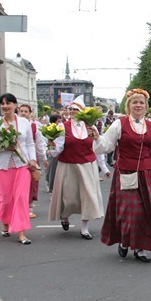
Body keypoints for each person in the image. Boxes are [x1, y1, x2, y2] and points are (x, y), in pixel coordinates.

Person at [94, 89, 151, 262]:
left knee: (145, 213)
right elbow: (106, 147)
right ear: (128, 106)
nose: (138, 105)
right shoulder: (119, 124)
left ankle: (139, 248)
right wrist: (96, 137)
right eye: (135, 102)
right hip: (126, 173)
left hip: (146, 174)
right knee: (131, 212)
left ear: (146, 106)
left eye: (141, 103)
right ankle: (125, 242)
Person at [48, 95, 104, 240]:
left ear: (82, 111)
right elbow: (58, 148)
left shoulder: (90, 127)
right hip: (68, 165)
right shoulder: (62, 127)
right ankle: (64, 216)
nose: (72, 111)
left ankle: (84, 228)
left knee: (88, 196)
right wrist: (51, 148)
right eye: (71, 109)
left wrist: (103, 167)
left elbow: (98, 148)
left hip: (87, 165)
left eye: (76, 109)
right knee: (69, 197)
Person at [0, 93, 39, 244]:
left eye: (8, 103)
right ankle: (5, 222)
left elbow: (29, 143)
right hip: (2, 167)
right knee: (7, 199)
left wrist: (33, 159)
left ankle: (21, 232)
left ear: (15, 105)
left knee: (21, 198)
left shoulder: (23, 123)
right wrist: (3, 147)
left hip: (22, 165)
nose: (5, 106)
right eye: (2, 103)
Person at [18, 104, 47, 219]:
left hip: (32, 159)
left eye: (26, 111)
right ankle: (20, 207)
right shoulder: (15, 126)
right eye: (22, 111)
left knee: (32, 183)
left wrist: (44, 158)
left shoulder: (35, 127)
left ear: (30, 114)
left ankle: (30, 207)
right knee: (20, 184)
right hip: (18, 159)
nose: (24, 113)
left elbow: (39, 144)